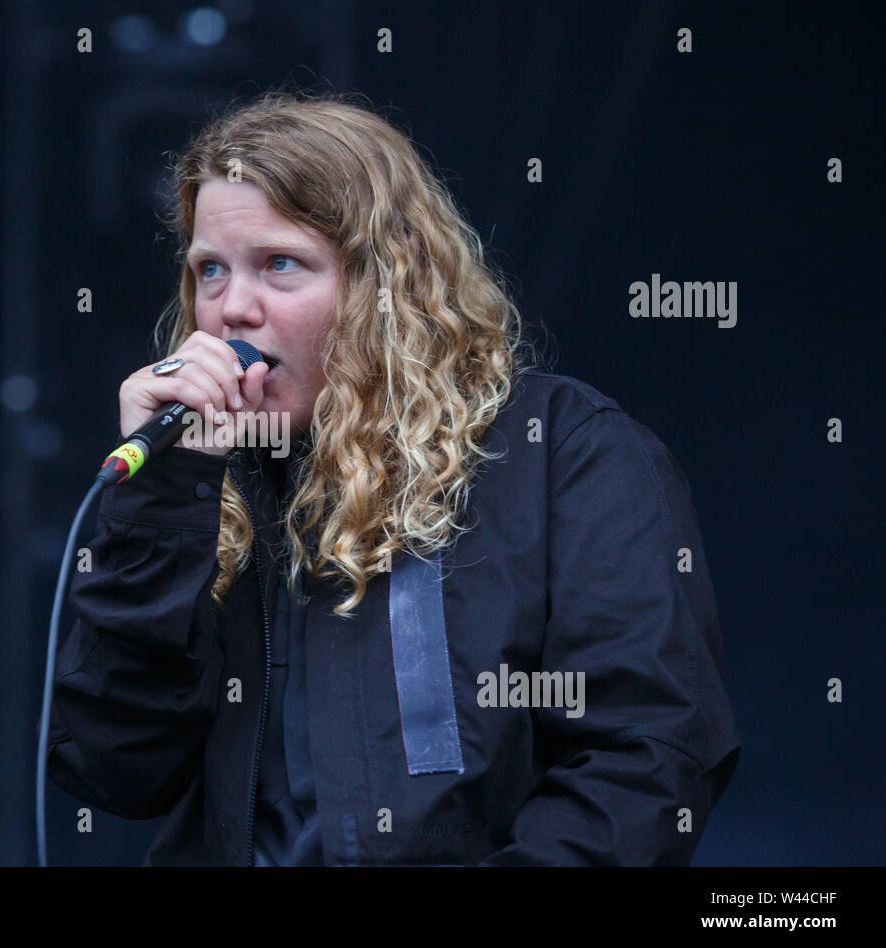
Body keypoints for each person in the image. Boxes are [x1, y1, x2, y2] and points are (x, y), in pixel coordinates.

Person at [45, 89, 741, 865]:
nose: (231, 308)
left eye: (281, 264)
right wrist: (162, 502)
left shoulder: (566, 456)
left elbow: (646, 763)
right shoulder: (203, 489)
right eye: (210, 270)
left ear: (387, 282)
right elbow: (113, 767)